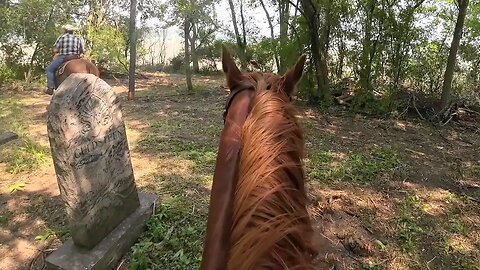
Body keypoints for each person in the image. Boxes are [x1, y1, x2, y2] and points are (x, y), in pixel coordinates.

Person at [45, 24, 85, 95]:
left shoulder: (62, 37)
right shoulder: (78, 38)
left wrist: (58, 51)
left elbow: (55, 50)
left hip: (64, 57)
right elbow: (82, 51)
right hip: (76, 57)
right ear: (73, 31)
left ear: (65, 31)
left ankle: (50, 88)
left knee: (50, 70)